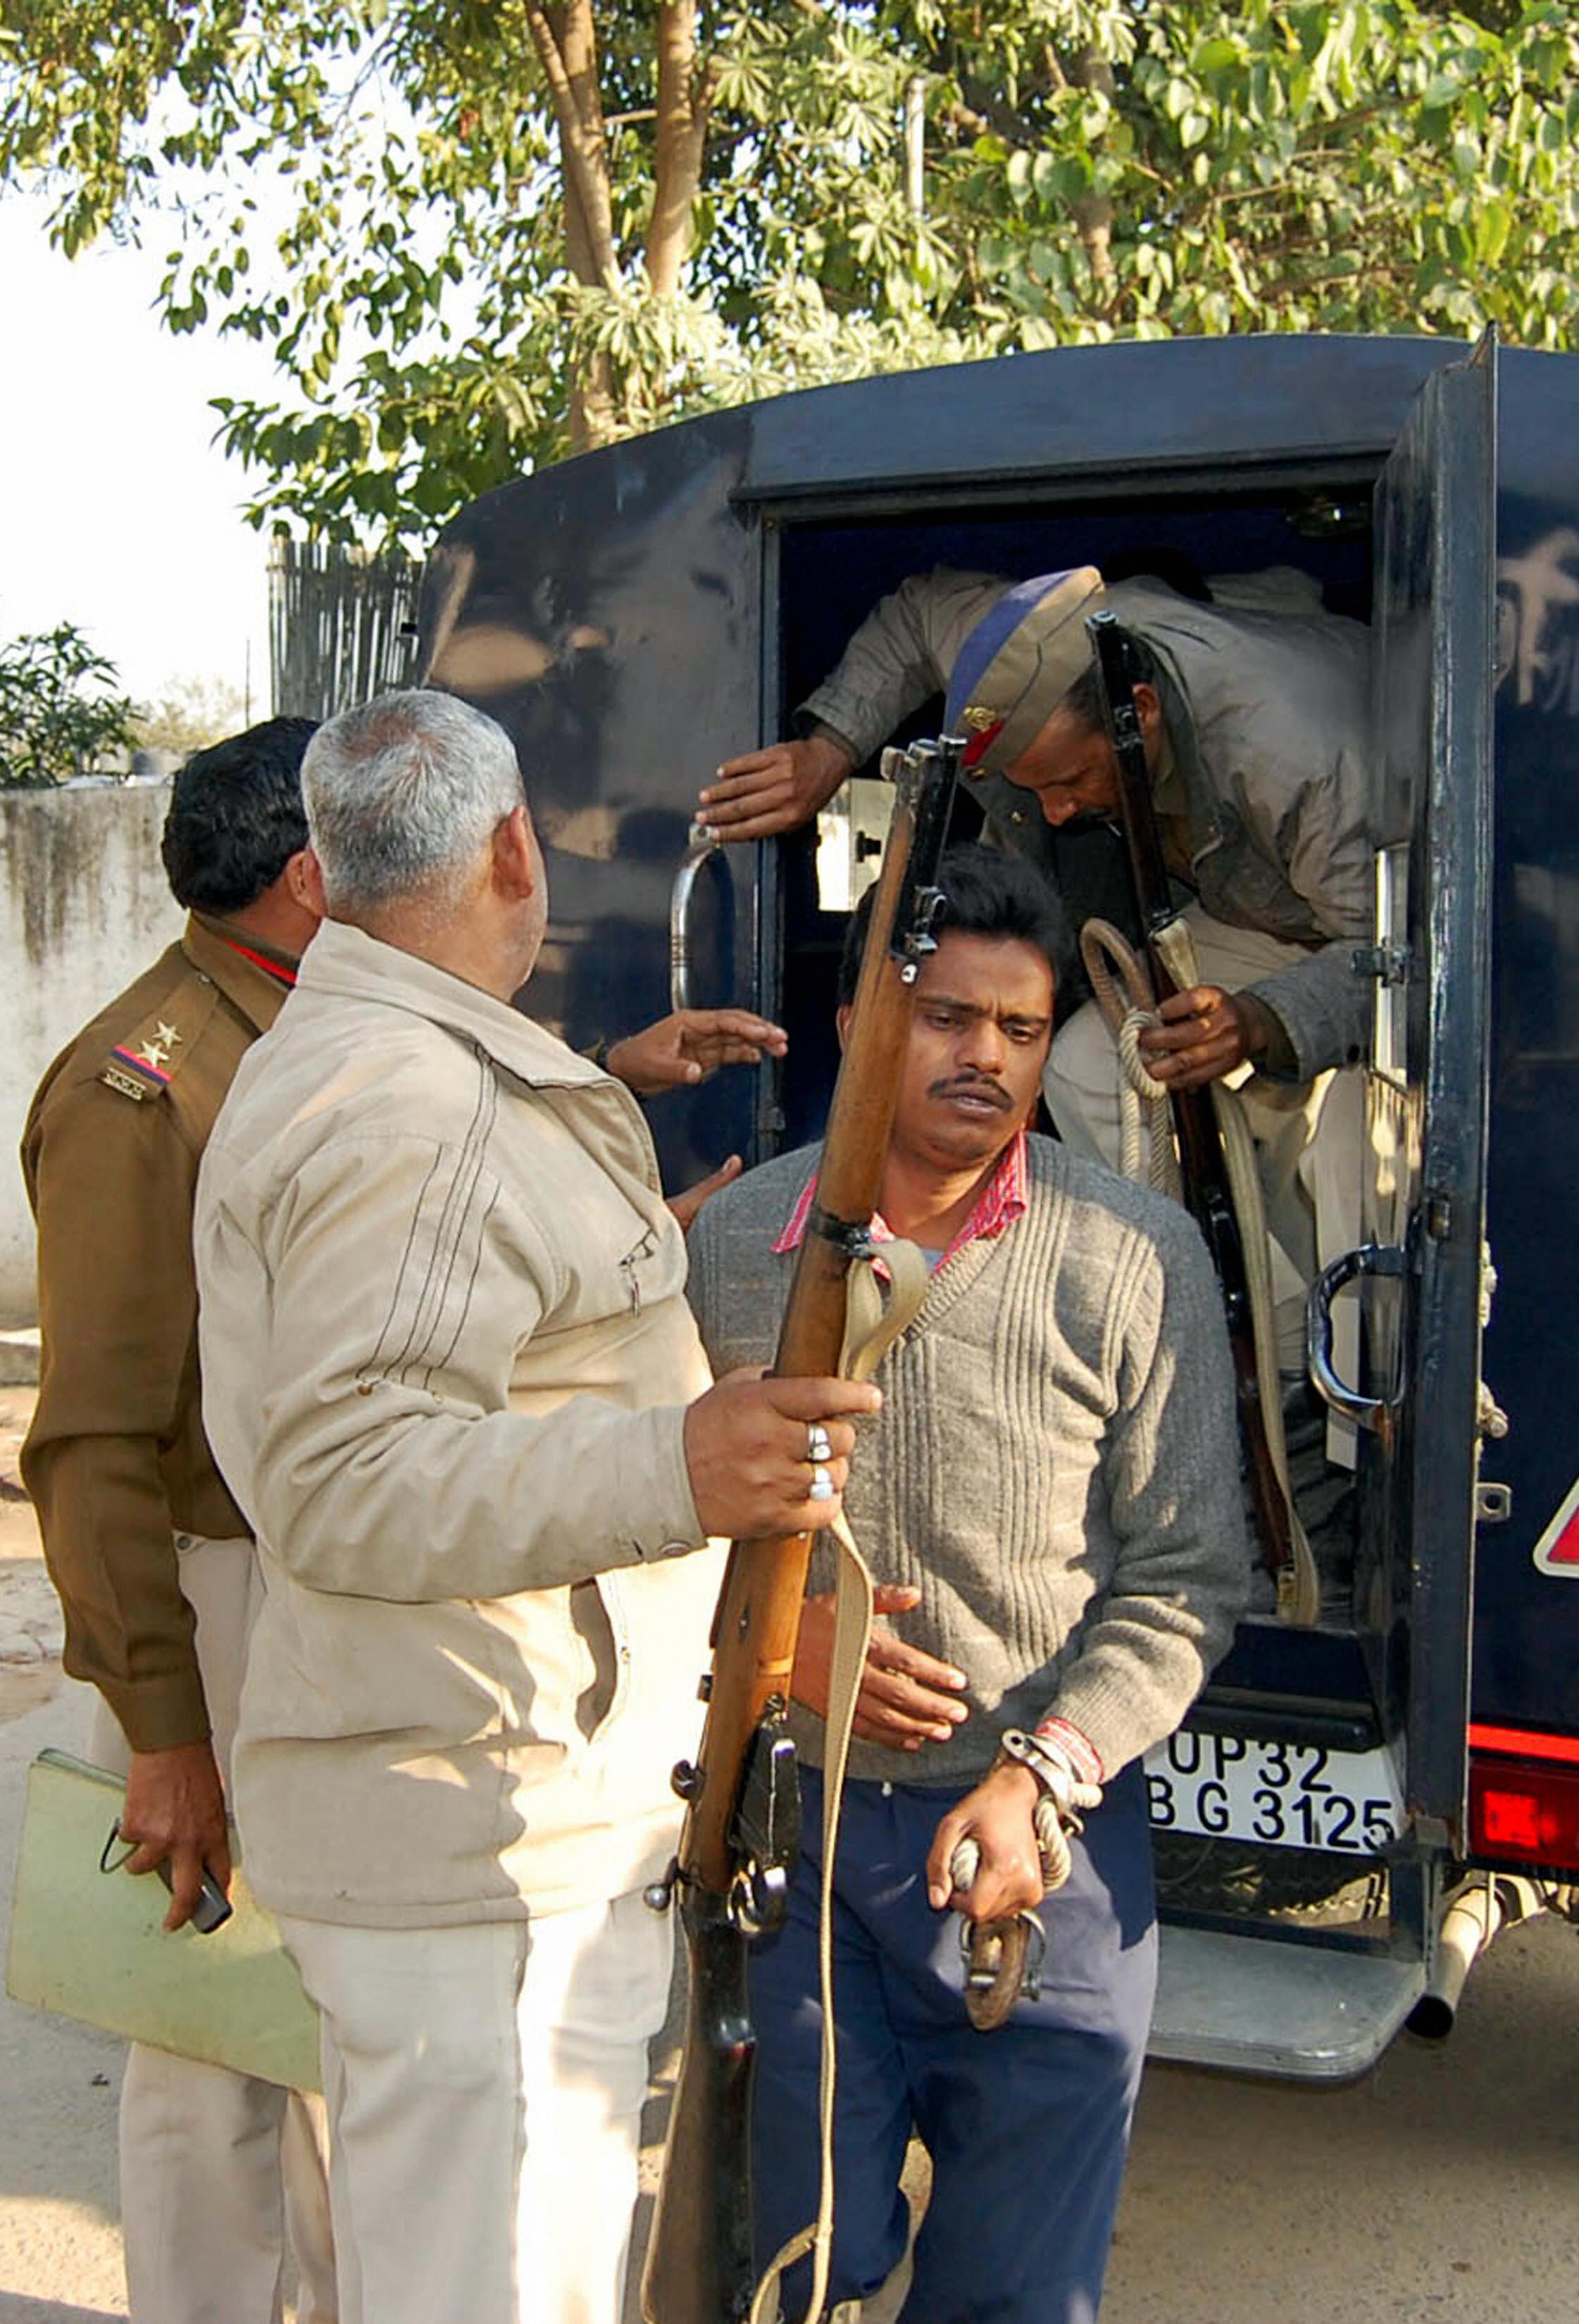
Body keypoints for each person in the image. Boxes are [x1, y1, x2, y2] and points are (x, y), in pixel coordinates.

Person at [190, 687, 878, 2324]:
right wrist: (674, 1460)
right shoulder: (410, 1107)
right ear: (511, 846)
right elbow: (344, 1474)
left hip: (462, 1802)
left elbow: (468, 1319)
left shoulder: (386, 1064)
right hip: (472, 1844)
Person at [685, 845, 1251, 2324]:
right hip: (797, 1847)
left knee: (1015, 2294)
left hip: (1040, 1858)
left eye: (1020, 1027)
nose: (985, 1058)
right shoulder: (738, 1246)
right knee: (797, 2268)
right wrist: (795, 1642)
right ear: (871, 1022)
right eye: (946, 1018)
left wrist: (1042, 1776)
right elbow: (655, 1523)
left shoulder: (1135, 1255)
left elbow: (1190, 1576)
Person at [694, 563, 1384, 1337]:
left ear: (1141, 712)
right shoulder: (1020, 656)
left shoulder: (1299, 763)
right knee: (1093, 1065)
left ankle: (1287, 1354)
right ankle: (1250, 1326)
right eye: (1033, 788)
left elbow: (1398, 957)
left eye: (1071, 779)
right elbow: (919, 612)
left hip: (1338, 912)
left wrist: (1261, 1019)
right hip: (1229, 894)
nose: (1054, 814)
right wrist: (827, 753)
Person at [19, 716, 342, 2324]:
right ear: (310, 875)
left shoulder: (297, 1023)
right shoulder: (143, 1083)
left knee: (334, 2024)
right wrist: (160, 1727)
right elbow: (86, 1442)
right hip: (209, 1602)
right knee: (207, 2045)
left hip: (310, 1589)